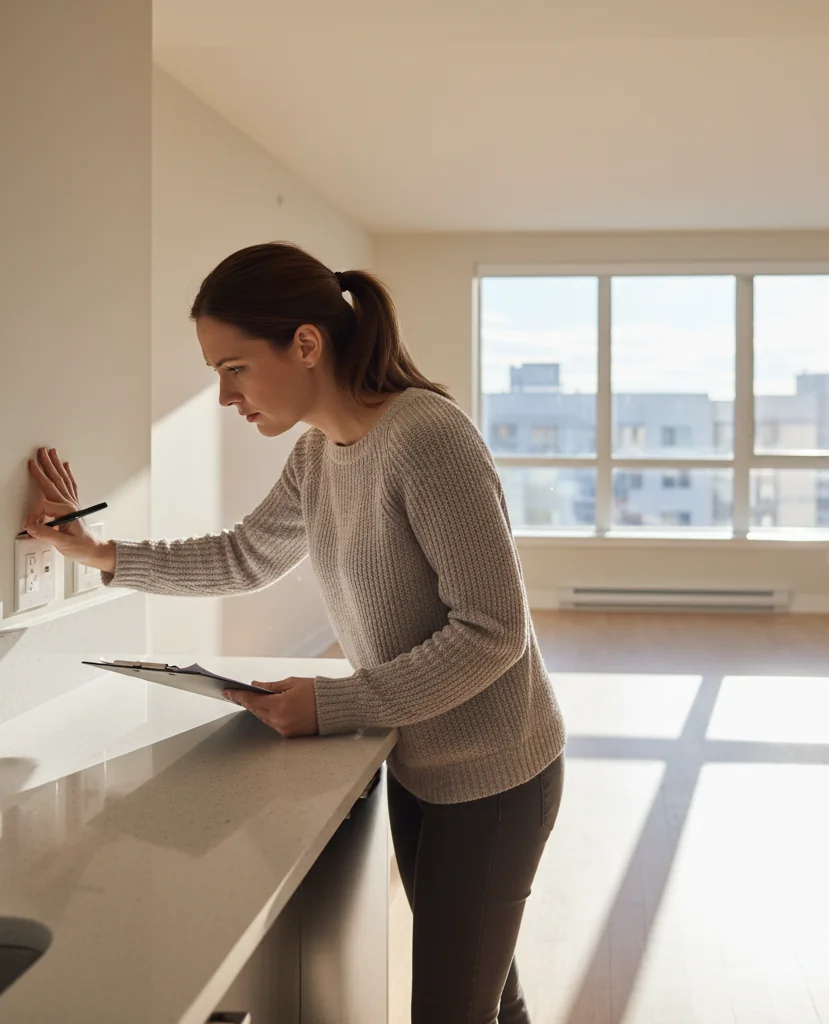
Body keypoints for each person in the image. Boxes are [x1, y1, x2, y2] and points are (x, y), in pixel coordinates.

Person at [24, 241, 566, 1024]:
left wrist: (335, 704)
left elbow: (493, 631)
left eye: (233, 367)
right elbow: (246, 556)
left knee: (455, 1006)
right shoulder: (319, 454)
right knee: (483, 987)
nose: (222, 396)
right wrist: (96, 552)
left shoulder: (427, 437)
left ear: (305, 344)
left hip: (494, 776)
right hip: (423, 761)